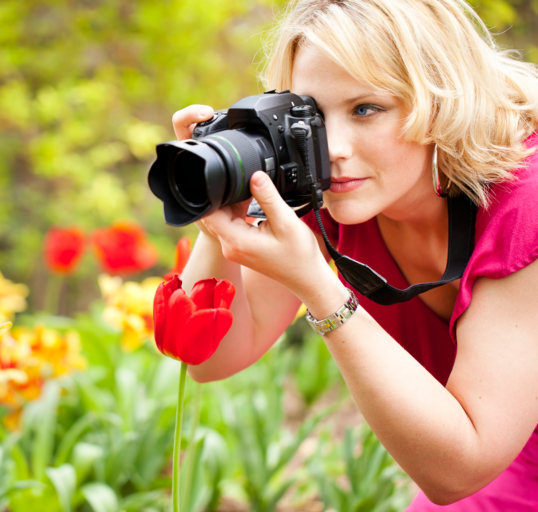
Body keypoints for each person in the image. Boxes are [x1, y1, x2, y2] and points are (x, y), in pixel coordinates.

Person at [171, 0, 538, 509]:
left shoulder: (525, 207)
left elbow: (460, 470)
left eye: (366, 109)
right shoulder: (329, 184)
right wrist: (218, 218)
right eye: (312, 116)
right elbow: (214, 359)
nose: (334, 146)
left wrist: (321, 290)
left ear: (442, 100)